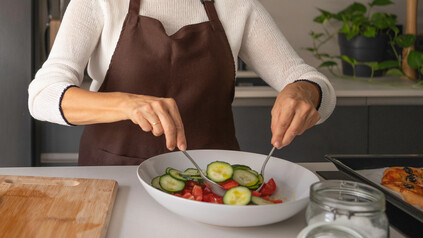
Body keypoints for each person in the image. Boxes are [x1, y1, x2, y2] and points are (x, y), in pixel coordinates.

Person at [28, 0, 336, 166]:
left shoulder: (238, 7)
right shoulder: (100, 3)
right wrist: (128, 104)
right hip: (113, 178)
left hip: (211, 184)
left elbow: (310, 79)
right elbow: (42, 94)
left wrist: (304, 90)